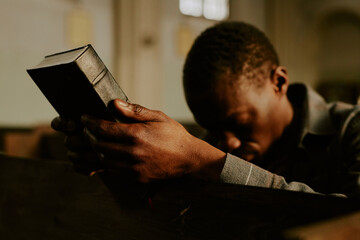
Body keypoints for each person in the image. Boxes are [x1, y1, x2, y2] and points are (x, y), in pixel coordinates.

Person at [52, 21, 360, 196]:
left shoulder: (352, 131)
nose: (227, 144)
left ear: (278, 82)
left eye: (239, 123)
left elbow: (346, 222)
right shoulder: (211, 142)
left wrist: (204, 161)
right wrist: (113, 163)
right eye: (213, 129)